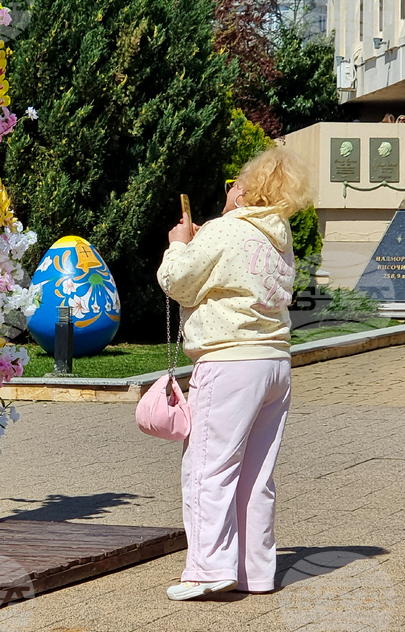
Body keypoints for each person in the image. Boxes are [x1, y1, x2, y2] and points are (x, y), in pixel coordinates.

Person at [157, 147, 312, 601]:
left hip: (229, 360)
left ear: (245, 191)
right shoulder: (278, 236)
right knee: (256, 474)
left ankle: (207, 569)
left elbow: (176, 281)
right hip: (274, 361)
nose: (228, 190)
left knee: (208, 467)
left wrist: (179, 243)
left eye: (233, 184)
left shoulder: (224, 230)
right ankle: (255, 571)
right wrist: (203, 239)